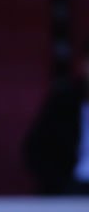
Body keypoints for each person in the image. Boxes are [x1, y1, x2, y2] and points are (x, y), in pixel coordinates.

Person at [25, 41, 89, 194]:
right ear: (83, 65)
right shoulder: (63, 103)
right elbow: (35, 149)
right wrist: (60, 183)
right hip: (74, 187)